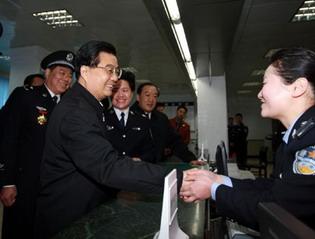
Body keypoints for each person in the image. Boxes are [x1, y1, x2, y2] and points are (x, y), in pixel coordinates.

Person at [180, 48, 315, 239]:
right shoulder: (306, 132)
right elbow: (275, 188)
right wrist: (219, 180)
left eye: (265, 83)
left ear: (298, 87)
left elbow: (281, 211)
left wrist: (213, 190)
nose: (260, 94)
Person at [35, 41, 183, 239]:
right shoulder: (75, 112)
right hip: (68, 221)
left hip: (86, 212)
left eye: (117, 71)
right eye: (109, 70)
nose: (115, 78)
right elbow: (107, 166)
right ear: (85, 71)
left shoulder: (89, 106)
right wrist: (176, 180)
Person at [0, 50, 75, 239]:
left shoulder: (68, 105)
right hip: (25, 184)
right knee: (19, 231)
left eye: (69, 75)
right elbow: (9, 138)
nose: (66, 79)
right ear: (47, 73)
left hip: (55, 187)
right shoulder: (25, 96)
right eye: (61, 72)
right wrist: (7, 182)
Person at [130, 83, 203, 165]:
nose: (151, 99)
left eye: (155, 96)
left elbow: (175, 141)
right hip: (134, 169)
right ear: (138, 97)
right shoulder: (127, 117)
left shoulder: (161, 118)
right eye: (147, 95)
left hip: (157, 168)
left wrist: (190, 158)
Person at [105, 70, 156, 162]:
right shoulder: (101, 118)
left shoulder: (142, 121)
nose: (120, 95)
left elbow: (151, 153)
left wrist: (140, 159)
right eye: (115, 90)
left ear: (132, 93)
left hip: (136, 173)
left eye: (125, 90)